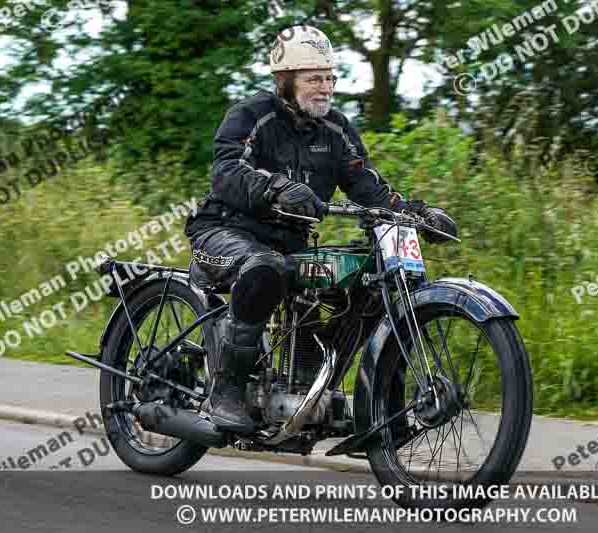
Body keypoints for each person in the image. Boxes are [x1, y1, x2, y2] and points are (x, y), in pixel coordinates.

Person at [184, 25, 457, 431]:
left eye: (330, 77)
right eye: (314, 78)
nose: (325, 87)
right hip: (224, 231)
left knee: (366, 277)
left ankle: (315, 386)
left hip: (288, 244)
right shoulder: (252, 115)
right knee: (266, 268)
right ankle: (226, 391)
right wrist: (275, 187)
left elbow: (368, 186)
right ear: (286, 80)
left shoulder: (337, 130)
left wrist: (416, 213)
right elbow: (226, 171)